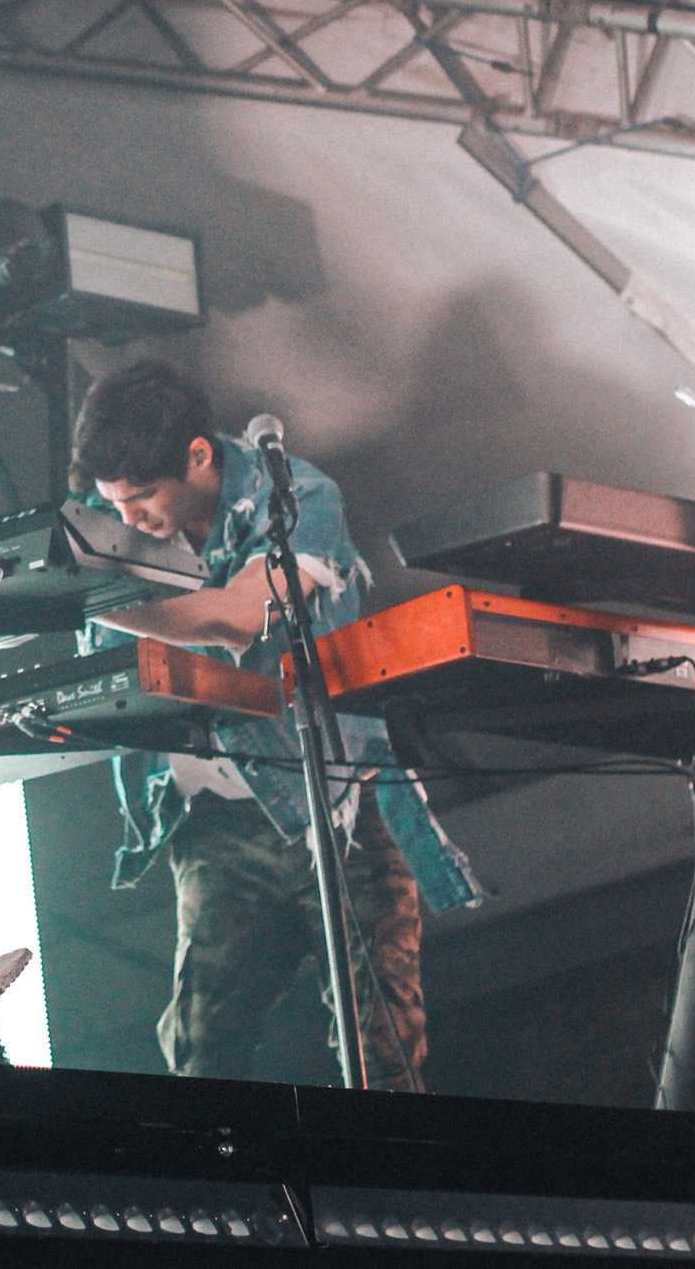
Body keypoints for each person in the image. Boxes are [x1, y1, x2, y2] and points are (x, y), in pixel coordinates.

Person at [72, 359, 479, 1088]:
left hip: (339, 800)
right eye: (114, 503)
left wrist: (92, 604)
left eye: (141, 498)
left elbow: (236, 618)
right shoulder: (100, 524)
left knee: (384, 1045)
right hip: (217, 824)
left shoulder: (294, 495)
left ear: (197, 455)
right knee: (199, 1051)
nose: (128, 519)